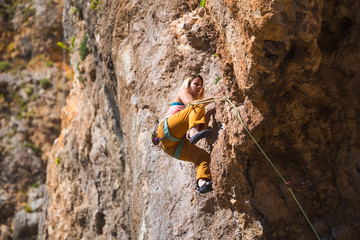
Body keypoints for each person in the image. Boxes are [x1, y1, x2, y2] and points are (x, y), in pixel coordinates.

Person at [154, 74, 217, 193]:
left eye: (201, 86)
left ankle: (202, 183)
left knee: (203, 157)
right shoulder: (183, 92)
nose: (199, 88)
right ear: (188, 84)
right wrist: (215, 98)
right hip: (166, 129)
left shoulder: (194, 111)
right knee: (196, 106)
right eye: (196, 84)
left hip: (172, 146)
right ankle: (194, 133)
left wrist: (208, 115)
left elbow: (200, 121)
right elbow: (193, 104)